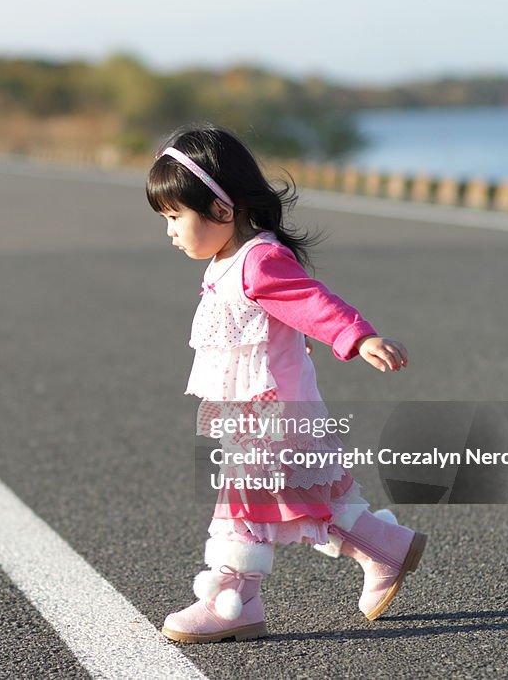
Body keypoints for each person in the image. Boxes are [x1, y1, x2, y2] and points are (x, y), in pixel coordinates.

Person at [147, 123, 426, 644]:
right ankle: (386, 547)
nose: (169, 230)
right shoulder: (228, 260)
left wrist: (357, 337)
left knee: (241, 502)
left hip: (268, 410)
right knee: (309, 494)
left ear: (222, 210)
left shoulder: (258, 259)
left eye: (175, 216)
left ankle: (234, 601)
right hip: (255, 407)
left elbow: (310, 303)